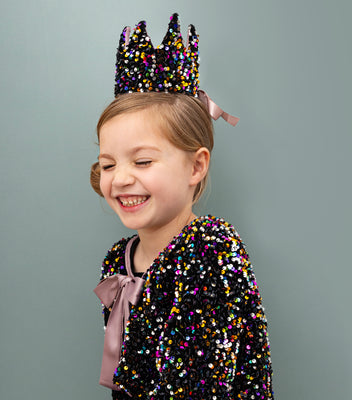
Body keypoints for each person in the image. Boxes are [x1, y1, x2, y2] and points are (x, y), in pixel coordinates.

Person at [91, 13, 274, 399]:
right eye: (108, 164)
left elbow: (198, 388)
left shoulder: (211, 250)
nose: (120, 178)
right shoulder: (118, 261)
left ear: (196, 165)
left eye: (142, 161)